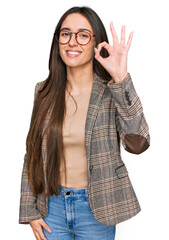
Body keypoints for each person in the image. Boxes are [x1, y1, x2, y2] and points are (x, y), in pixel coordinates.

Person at [19, 6, 150, 240]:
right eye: (66, 33)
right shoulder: (44, 92)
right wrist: (29, 209)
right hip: (52, 209)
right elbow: (32, 154)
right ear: (57, 40)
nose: (72, 42)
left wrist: (121, 79)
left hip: (97, 209)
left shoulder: (111, 92)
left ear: (96, 43)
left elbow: (138, 144)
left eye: (82, 35)